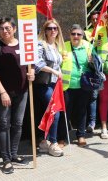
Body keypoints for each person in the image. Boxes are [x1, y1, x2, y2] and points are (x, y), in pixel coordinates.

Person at [0, 17, 35, 174]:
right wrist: (2, 92)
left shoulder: (24, 45)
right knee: (4, 124)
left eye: (7, 28)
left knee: (18, 124)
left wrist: (32, 72)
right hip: (2, 93)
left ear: (14, 29)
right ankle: (6, 160)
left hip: (22, 91)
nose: (4, 31)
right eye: (2, 28)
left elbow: (31, 63)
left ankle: (14, 154)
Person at [34, 19, 64, 157]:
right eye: (50, 28)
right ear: (45, 31)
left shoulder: (56, 46)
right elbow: (37, 64)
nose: (53, 30)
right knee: (54, 112)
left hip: (55, 84)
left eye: (55, 28)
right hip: (44, 84)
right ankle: (53, 142)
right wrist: (54, 72)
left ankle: (45, 141)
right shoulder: (41, 44)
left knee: (50, 112)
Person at [61, 25, 93, 147]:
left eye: (79, 34)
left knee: (82, 111)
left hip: (83, 85)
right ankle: (62, 138)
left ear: (82, 36)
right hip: (67, 86)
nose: (76, 36)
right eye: (73, 34)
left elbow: (97, 62)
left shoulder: (87, 46)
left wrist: (93, 60)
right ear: (70, 35)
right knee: (65, 113)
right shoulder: (63, 46)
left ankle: (81, 135)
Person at [84, 10, 100, 133]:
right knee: (93, 97)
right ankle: (92, 122)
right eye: (93, 19)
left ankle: (107, 121)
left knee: (106, 98)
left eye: (97, 19)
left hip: (106, 68)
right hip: (92, 69)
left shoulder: (105, 32)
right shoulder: (86, 33)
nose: (95, 21)